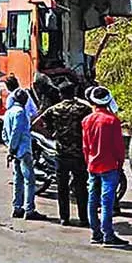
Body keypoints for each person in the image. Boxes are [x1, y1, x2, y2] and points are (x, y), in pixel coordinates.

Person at [82, 86, 129, 246]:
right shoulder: (112, 121)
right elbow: (119, 147)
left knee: (92, 200)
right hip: (109, 166)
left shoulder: (87, 120)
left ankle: (96, 234)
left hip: (93, 165)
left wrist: (89, 162)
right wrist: (120, 164)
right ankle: (108, 234)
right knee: (107, 202)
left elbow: (85, 146)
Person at [42, 82, 92, 227]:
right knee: (81, 188)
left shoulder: (54, 109)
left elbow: (40, 121)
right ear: (74, 92)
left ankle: (64, 218)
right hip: (78, 153)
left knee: (62, 187)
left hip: (61, 153)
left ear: (60, 94)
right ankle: (84, 218)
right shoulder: (84, 109)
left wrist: (52, 132)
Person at [2, 89, 47, 221]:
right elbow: (17, 132)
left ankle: (17, 207)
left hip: (15, 151)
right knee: (29, 180)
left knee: (18, 180)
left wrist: (10, 149)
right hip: (23, 150)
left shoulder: (9, 112)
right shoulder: (21, 113)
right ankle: (29, 209)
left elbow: (5, 133)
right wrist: (13, 148)